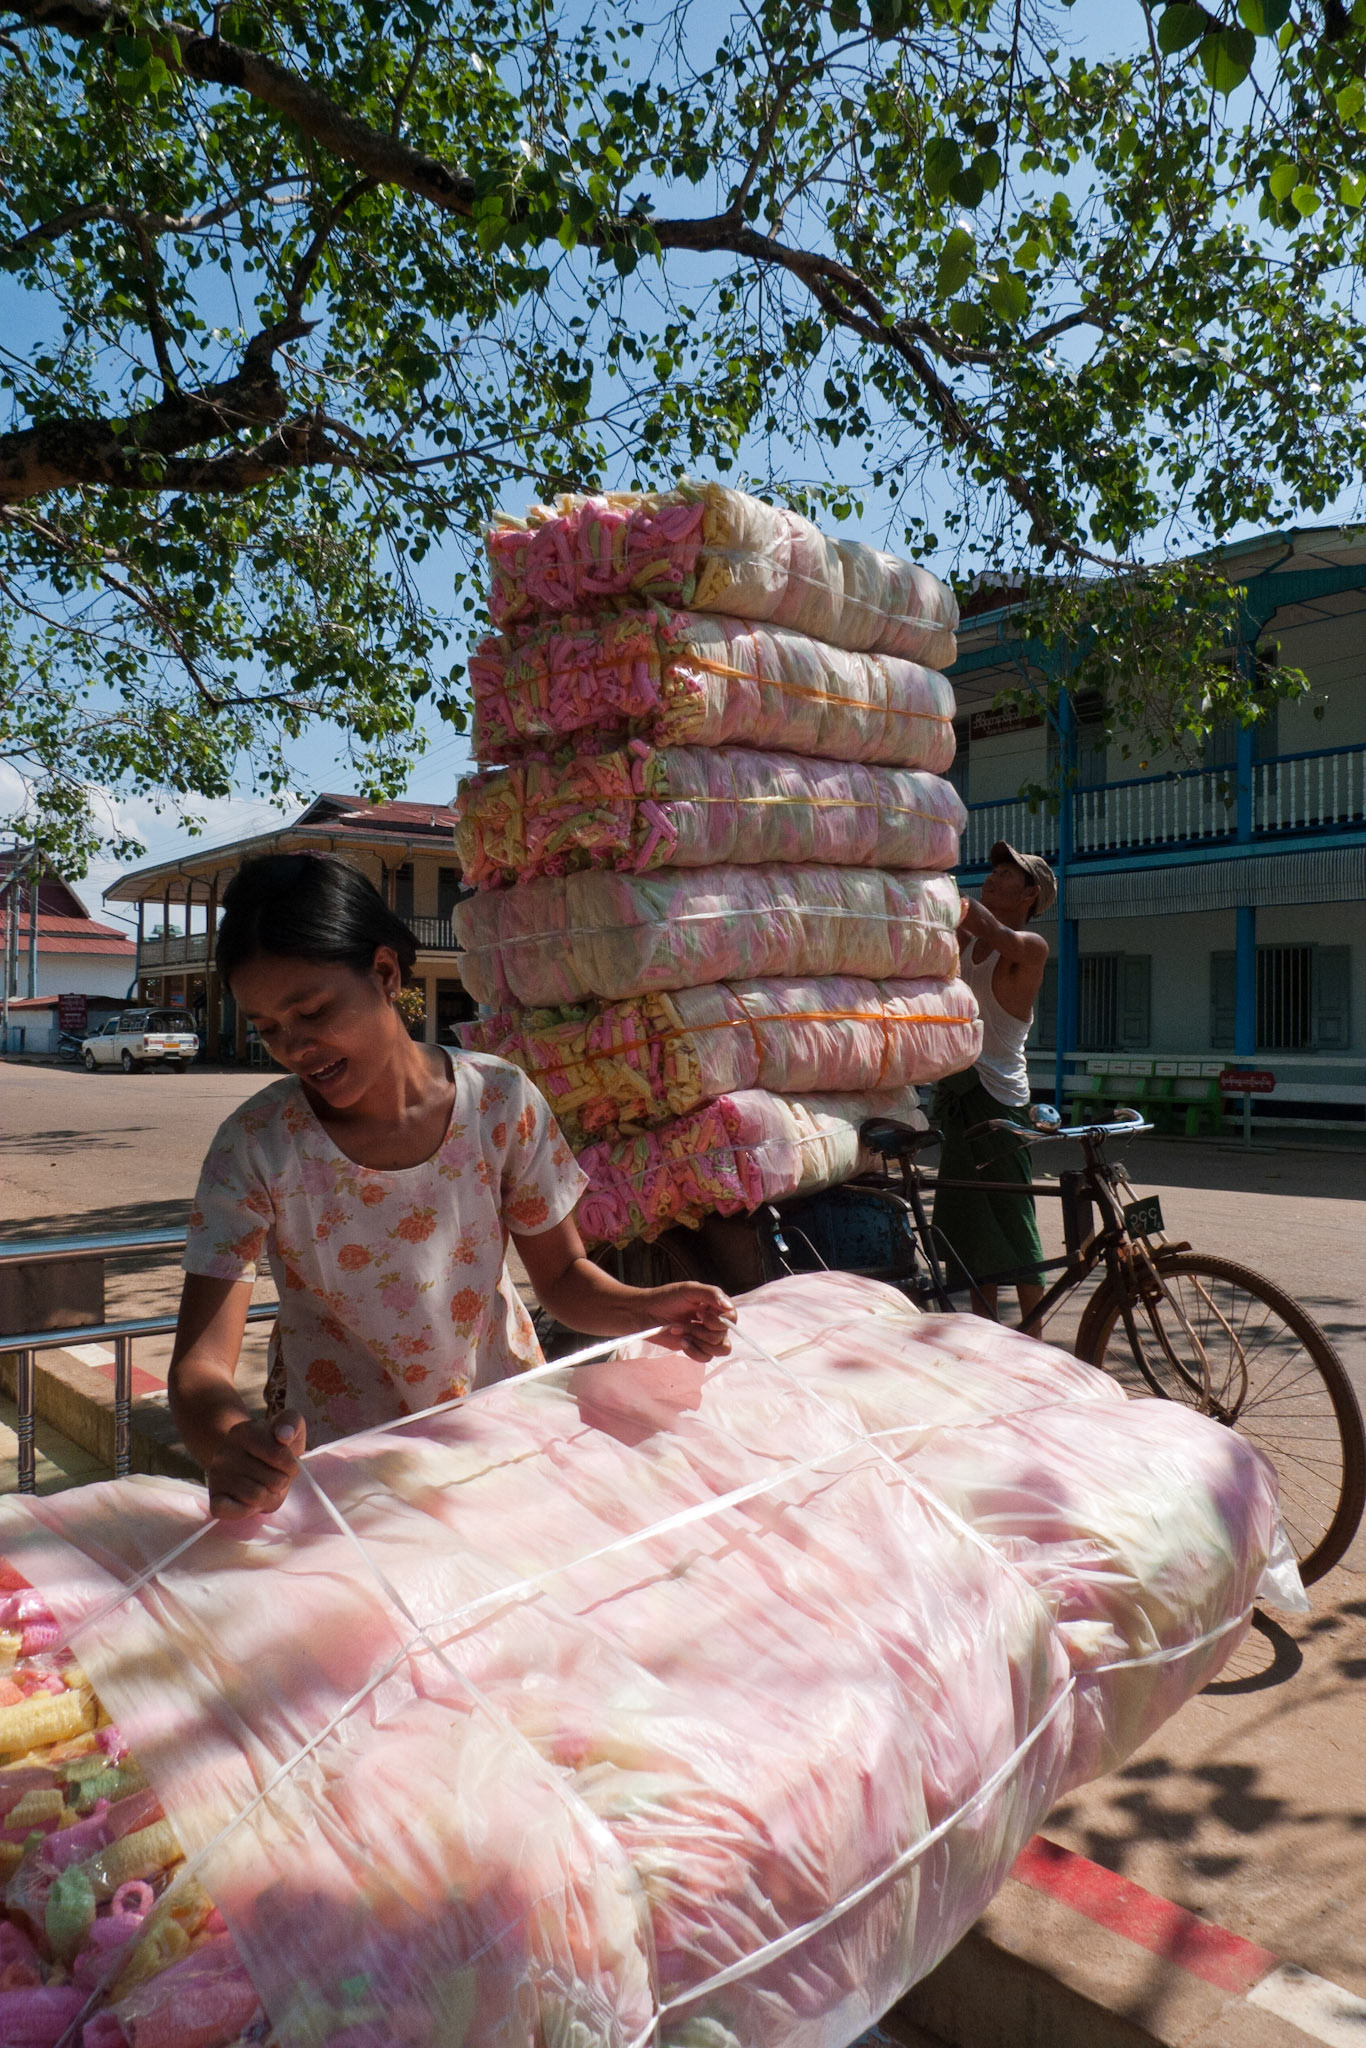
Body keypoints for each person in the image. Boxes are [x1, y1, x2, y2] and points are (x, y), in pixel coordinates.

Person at [169, 852, 736, 1521]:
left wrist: (647, 1310)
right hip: (345, 1472)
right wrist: (231, 1443)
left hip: (497, 1439)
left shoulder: (499, 1102)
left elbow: (563, 1279)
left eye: (313, 1011)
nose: (294, 1046)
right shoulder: (256, 1145)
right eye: (267, 1029)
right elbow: (200, 1370)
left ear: (385, 974)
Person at [930, 840, 1056, 1325]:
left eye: (1007, 875)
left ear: (1029, 894)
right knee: (973, 1232)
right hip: (959, 1093)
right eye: (994, 870)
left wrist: (944, 892)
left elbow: (989, 926)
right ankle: (988, 1334)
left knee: (1013, 1224)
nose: (993, 877)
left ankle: (1034, 1339)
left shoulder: (1029, 947)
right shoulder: (968, 942)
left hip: (999, 1101)